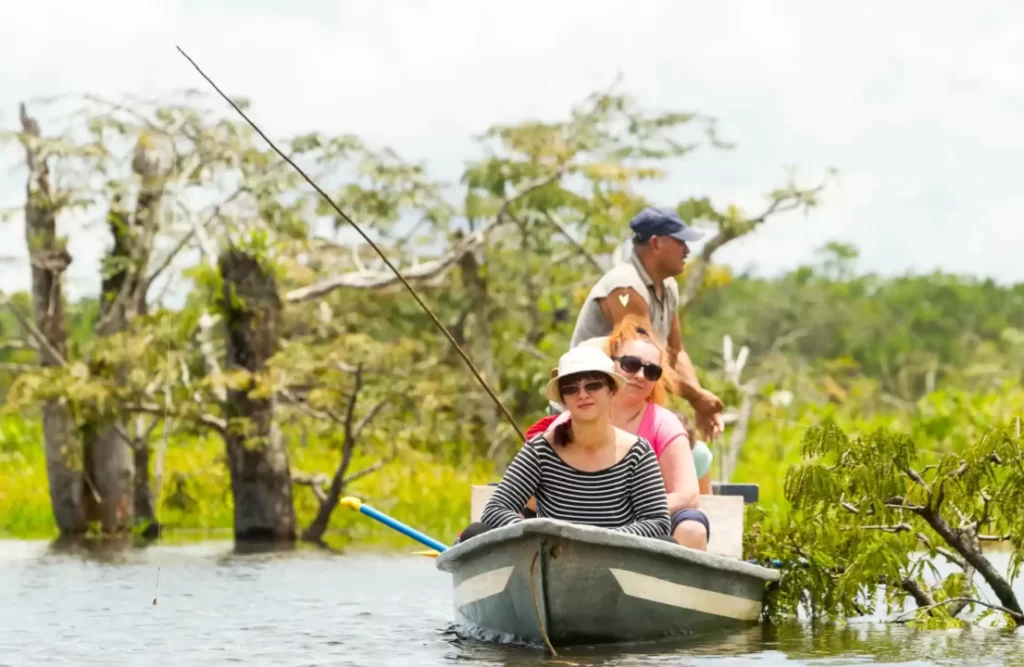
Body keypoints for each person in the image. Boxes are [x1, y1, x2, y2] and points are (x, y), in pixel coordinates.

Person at [529, 315, 713, 550]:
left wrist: (623, 516)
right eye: (630, 364)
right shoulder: (566, 423)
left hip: (649, 530)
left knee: (692, 528)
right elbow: (534, 497)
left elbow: (687, 495)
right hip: (572, 527)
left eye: (652, 371)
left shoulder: (664, 425)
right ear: (609, 366)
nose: (639, 375)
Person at [456, 346, 671, 543]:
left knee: (669, 543)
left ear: (611, 390)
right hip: (551, 558)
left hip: (617, 561)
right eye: (571, 389)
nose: (583, 395)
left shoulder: (638, 452)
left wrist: (604, 539)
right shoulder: (541, 449)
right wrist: (538, 532)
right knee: (475, 532)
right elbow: (495, 509)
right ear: (563, 399)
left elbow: (657, 522)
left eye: (593, 385)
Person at [568, 206, 725, 440]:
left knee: (696, 455)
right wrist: (696, 398)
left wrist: (699, 397)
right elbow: (642, 364)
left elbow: (676, 352)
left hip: (628, 407)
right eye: (680, 242)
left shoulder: (668, 285)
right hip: (588, 409)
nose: (687, 250)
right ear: (656, 243)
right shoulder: (625, 288)